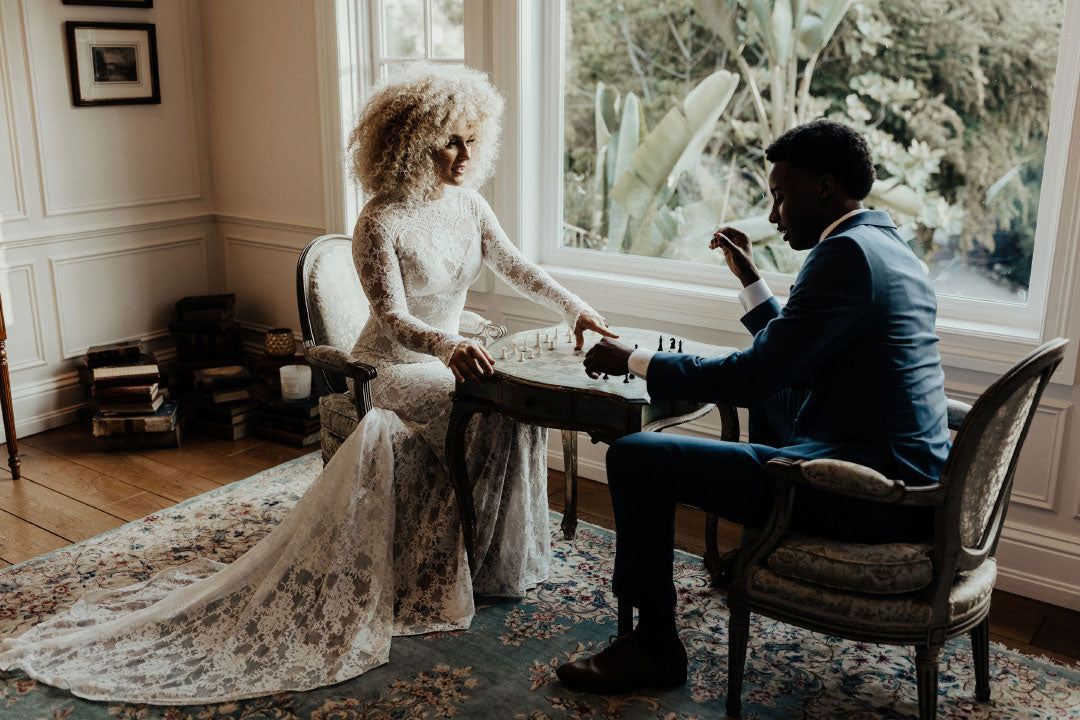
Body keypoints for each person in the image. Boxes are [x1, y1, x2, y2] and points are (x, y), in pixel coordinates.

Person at [0, 63, 613, 704]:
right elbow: (397, 320)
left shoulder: (470, 205)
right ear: (410, 141)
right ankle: (424, 567)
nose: (466, 155)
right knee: (482, 403)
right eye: (449, 140)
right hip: (392, 368)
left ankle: (488, 558)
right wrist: (448, 344)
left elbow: (518, 265)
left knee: (510, 407)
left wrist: (576, 307)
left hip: (447, 357)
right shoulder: (379, 219)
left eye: (471, 140)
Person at [558, 119, 951, 695]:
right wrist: (751, 281)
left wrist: (635, 359)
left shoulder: (844, 255)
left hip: (867, 492)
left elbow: (752, 375)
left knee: (635, 457)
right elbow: (792, 357)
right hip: (903, 471)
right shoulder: (885, 245)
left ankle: (654, 647)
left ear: (822, 187)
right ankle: (732, 565)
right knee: (774, 396)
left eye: (779, 195)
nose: (772, 215)